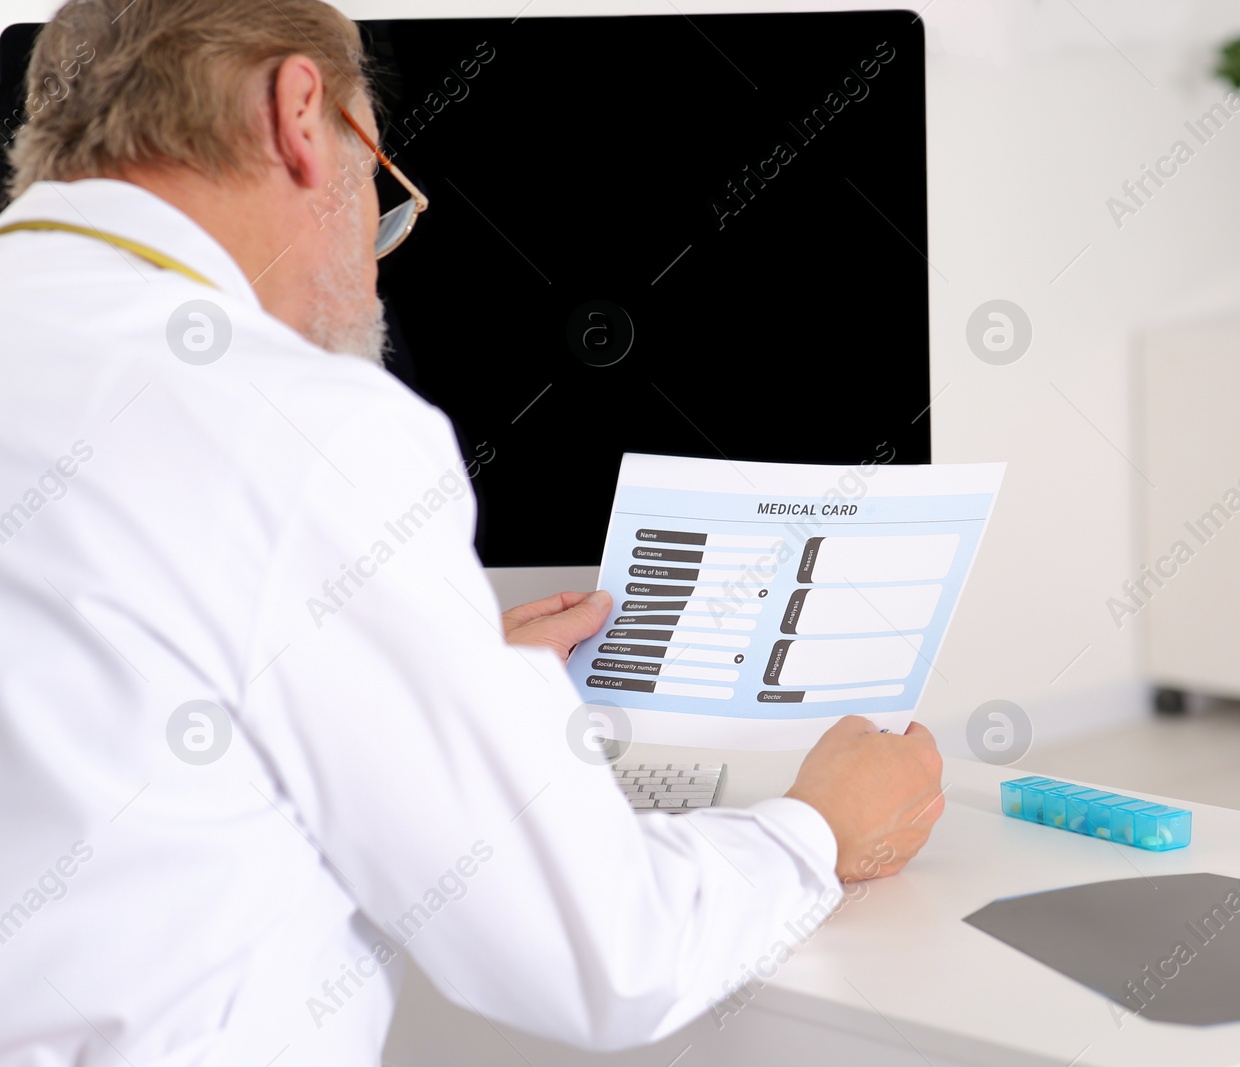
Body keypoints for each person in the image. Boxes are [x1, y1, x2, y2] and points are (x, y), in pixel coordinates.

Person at [0, 1, 946, 1062]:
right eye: (378, 186)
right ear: (298, 114)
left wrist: (428, 684)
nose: (374, 254)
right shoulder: (293, 422)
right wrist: (817, 830)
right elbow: (605, 958)